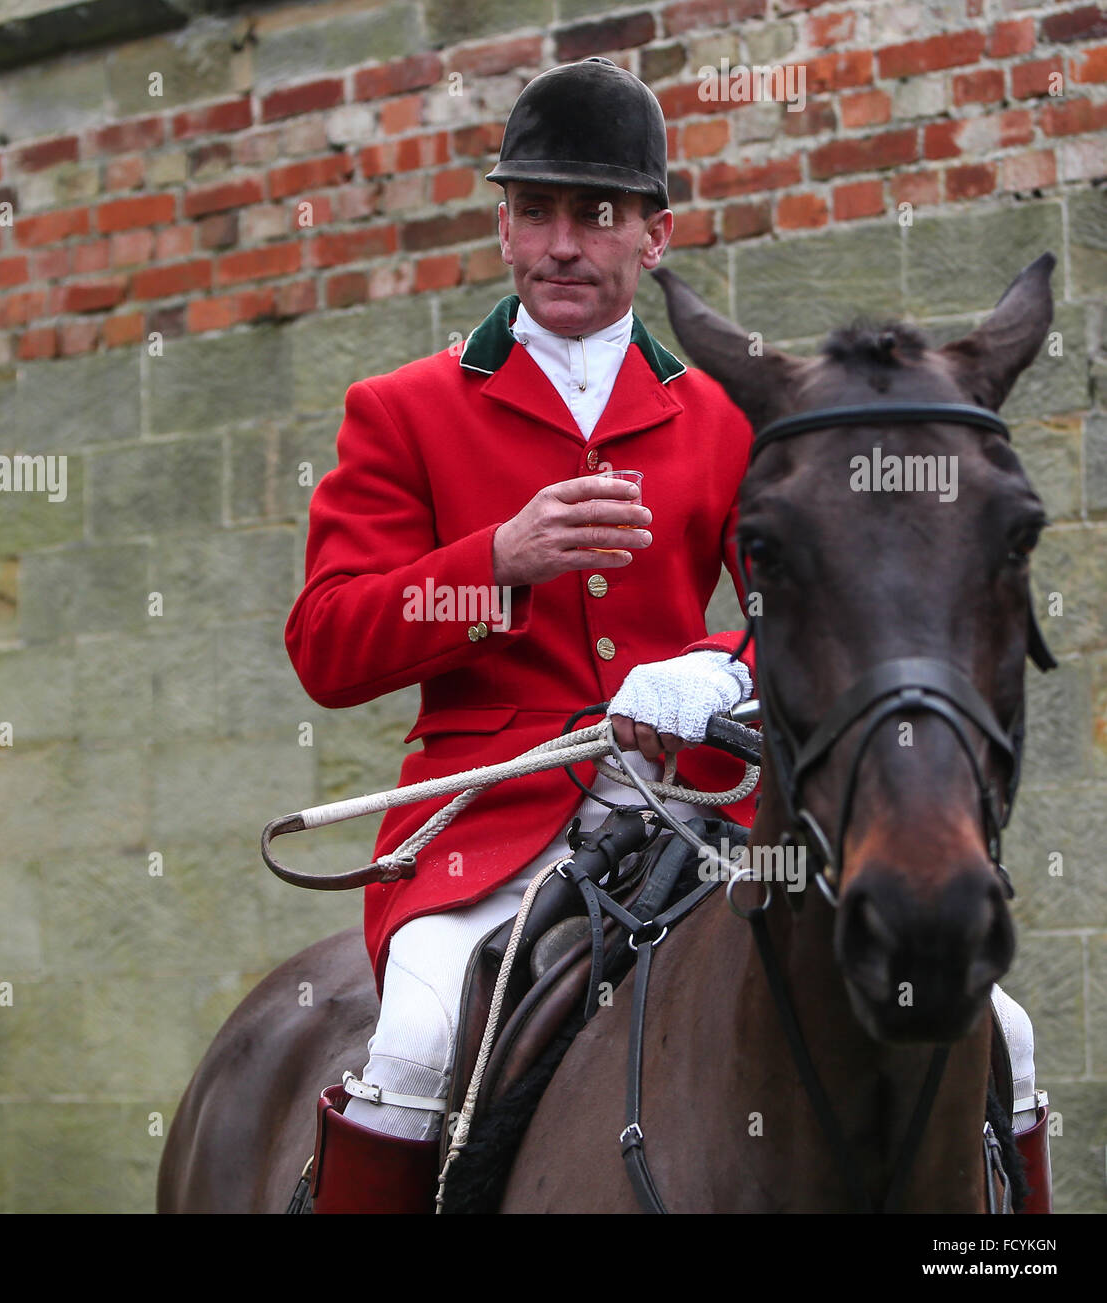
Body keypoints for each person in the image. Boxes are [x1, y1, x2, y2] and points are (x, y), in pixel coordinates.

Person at [284, 57, 1049, 1215]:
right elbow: (326, 642)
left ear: (654, 234)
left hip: (699, 802)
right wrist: (495, 563)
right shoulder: (403, 410)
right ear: (501, 224)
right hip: (492, 817)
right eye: (534, 213)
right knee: (413, 1036)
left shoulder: (727, 415)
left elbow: (807, 621)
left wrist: (714, 671)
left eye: (596, 216)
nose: (560, 245)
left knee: (1006, 1031)